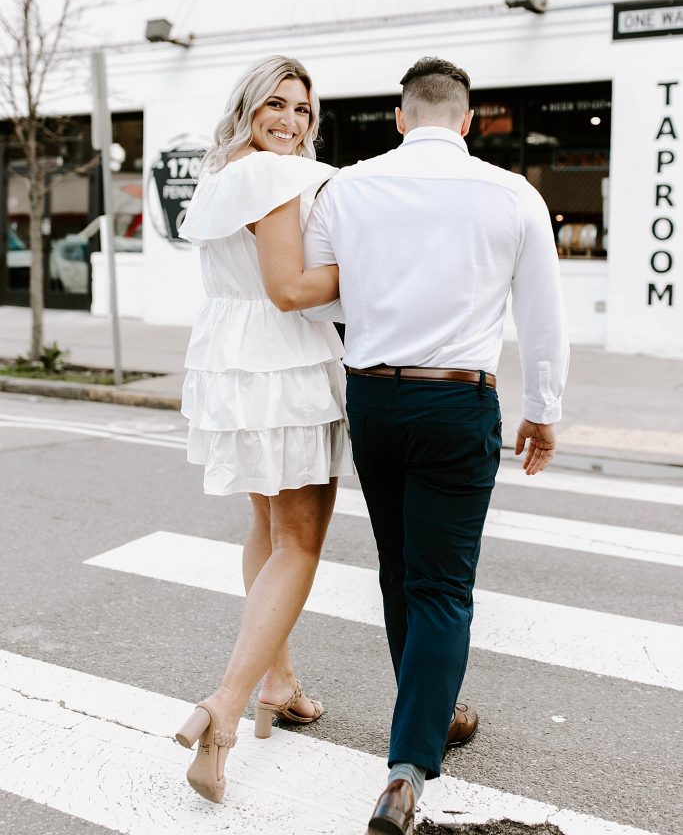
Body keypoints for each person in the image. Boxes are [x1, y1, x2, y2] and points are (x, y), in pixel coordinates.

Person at [300, 57, 569, 835]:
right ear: (466, 120)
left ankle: (435, 712)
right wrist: (542, 410)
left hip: (376, 396)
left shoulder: (345, 187)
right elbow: (541, 314)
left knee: (400, 569)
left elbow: (324, 300)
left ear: (397, 117)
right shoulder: (513, 193)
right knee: (443, 586)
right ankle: (406, 768)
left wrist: (386, 302)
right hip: (458, 398)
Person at [174, 55, 353, 804]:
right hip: (287, 369)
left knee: (268, 529)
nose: (288, 120)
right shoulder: (281, 177)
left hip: (232, 368)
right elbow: (288, 290)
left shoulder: (219, 178)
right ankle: (225, 704)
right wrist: (376, 267)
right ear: (248, 106)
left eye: (302, 111)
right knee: (301, 541)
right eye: (274, 105)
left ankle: (280, 683)